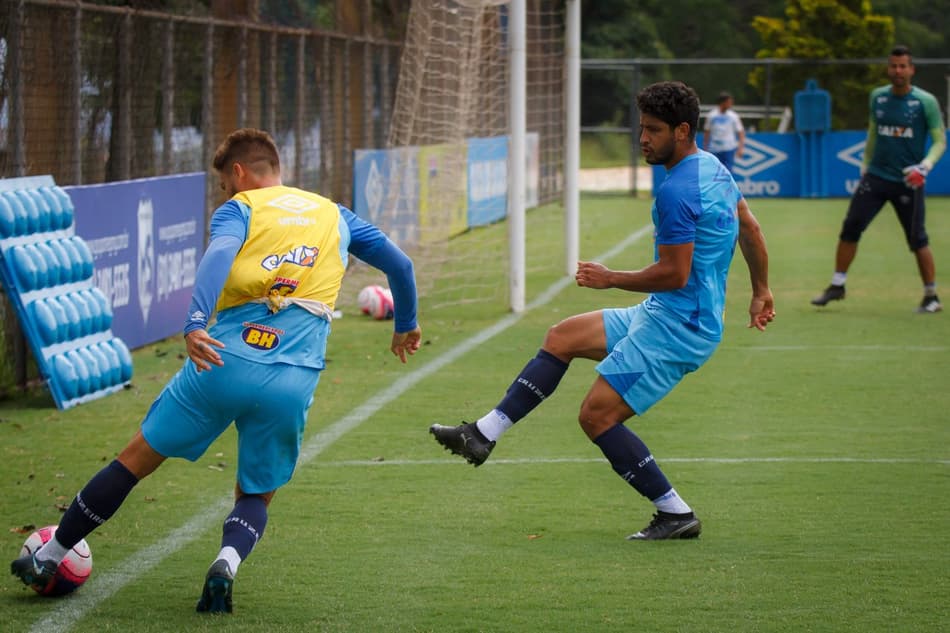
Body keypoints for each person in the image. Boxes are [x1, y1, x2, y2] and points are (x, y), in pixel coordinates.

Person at [10, 128, 422, 612]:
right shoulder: (335, 215)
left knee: (136, 459)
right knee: (256, 491)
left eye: (224, 185)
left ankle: (54, 552)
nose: (224, 193)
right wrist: (406, 325)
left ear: (239, 173)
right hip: (293, 376)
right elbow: (402, 265)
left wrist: (193, 323)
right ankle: (226, 561)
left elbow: (219, 255)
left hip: (222, 361)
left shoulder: (240, 208)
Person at [430, 81, 774, 540]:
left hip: (679, 327)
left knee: (596, 416)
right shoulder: (712, 168)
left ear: (683, 130)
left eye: (653, 130)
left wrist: (610, 277)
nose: (643, 138)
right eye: (642, 128)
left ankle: (674, 512)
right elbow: (749, 228)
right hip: (668, 312)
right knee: (562, 337)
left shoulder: (677, 192)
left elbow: (674, 273)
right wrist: (761, 290)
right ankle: (482, 434)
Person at [811, 45, 946, 313]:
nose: (898, 71)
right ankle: (838, 285)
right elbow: (873, 131)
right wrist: (865, 162)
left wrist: (925, 166)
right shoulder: (878, 97)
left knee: (917, 239)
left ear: (911, 69)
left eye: (903, 66)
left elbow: (940, 140)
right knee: (851, 227)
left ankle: (931, 296)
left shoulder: (925, 102)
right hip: (875, 177)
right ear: (888, 68)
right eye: (893, 66)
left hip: (910, 180)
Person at [702, 91, 745, 173]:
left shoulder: (733, 116)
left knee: (727, 172)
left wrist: (741, 148)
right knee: (714, 172)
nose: (731, 104)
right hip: (714, 149)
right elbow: (707, 132)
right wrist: (705, 149)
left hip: (728, 149)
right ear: (723, 102)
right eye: (729, 102)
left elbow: (741, 132)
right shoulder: (711, 115)